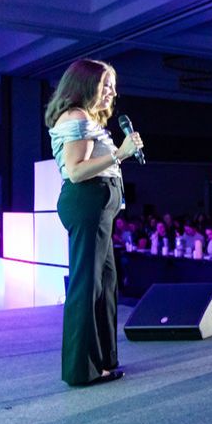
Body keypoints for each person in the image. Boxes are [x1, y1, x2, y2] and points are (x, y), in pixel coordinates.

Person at [46, 59, 143, 386]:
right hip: (87, 203)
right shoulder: (76, 118)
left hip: (98, 207)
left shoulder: (87, 119)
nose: (112, 92)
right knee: (87, 286)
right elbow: (76, 171)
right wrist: (120, 153)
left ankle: (102, 360)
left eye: (113, 86)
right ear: (85, 85)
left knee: (105, 283)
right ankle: (82, 370)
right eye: (106, 85)